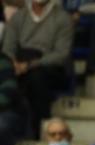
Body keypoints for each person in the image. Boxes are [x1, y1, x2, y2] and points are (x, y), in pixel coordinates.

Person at [2, 0, 72, 132]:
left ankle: (38, 130)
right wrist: (13, 64)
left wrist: (29, 65)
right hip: (19, 64)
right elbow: (8, 48)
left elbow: (60, 55)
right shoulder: (18, 17)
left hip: (49, 68)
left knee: (36, 78)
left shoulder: (63, 18)